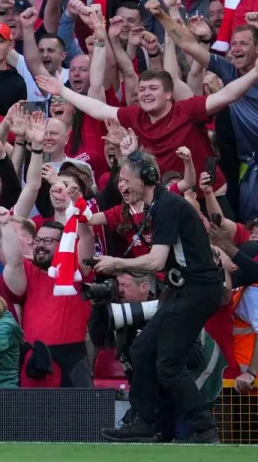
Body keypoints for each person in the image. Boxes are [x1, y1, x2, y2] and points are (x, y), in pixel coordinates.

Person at [97, 152, 228, 444]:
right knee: (143, 349)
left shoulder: (167, 205)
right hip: (183, 290)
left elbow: (156, 261)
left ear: (147, 178)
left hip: (196, 290)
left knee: (168, 365)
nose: (122, 186)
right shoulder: (160, 206)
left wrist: (117, 263)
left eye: (127, 179)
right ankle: (145, 421)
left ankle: (204, 429)